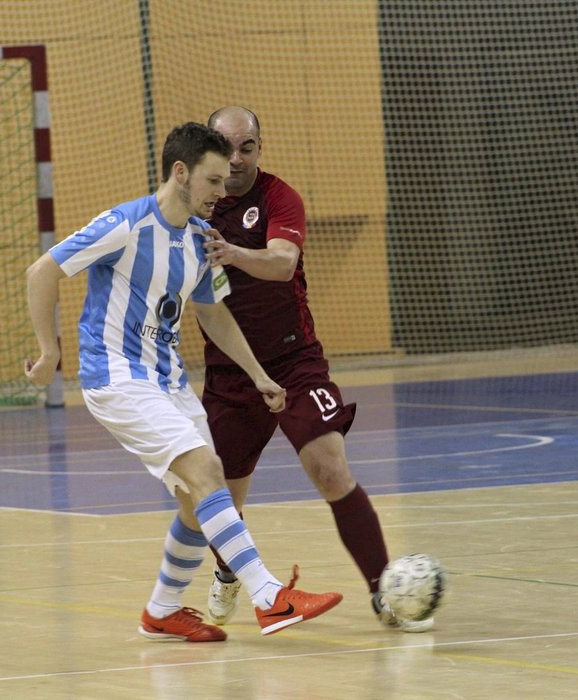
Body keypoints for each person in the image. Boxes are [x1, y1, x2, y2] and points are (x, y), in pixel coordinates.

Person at [24, 122, 342, 642]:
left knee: (197, 502)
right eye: (213, 181)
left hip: (167, 381)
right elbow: (42, 271)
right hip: (118, 376)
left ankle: (162, 610)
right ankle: (269, 597)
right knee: (207, 469)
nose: (223, 192)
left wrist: (259, 375)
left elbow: (213, 314)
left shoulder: (199, 239)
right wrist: (49, 351)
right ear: (181, 173)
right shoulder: (126, 224)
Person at [199, 106, 434, 633]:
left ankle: (384, 592)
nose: (237, 158)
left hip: (294, 361)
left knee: (330, 468)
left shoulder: (280, 198)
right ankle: (229, 571)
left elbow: (282, 263)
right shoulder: (194, 208)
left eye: (248, 147)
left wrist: (232, 252)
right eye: (226, 147)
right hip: (230, 373)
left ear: (260, 147)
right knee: (220, 498)